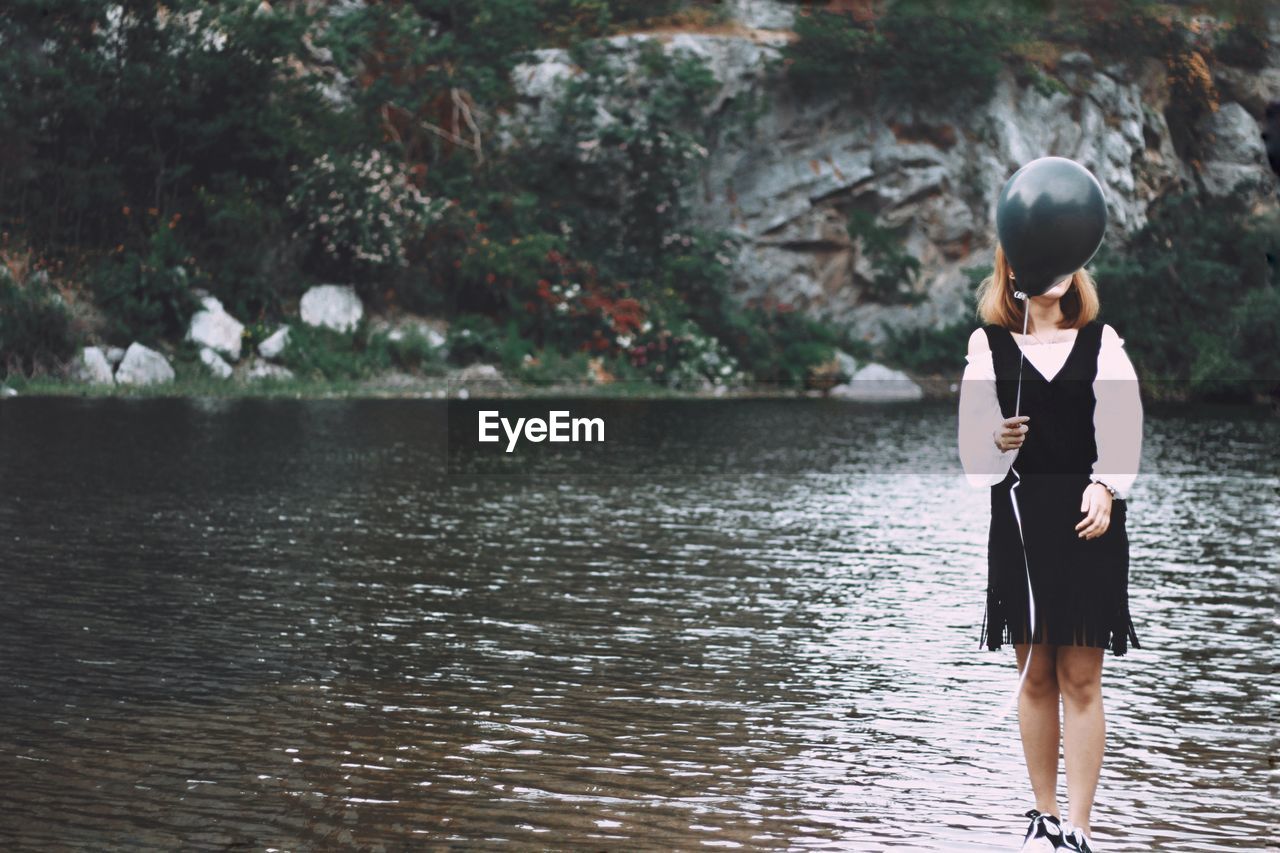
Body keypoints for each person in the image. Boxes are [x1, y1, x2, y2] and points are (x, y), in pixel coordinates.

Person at [957, 244, 1144, 853]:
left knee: (1081, 678)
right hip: (1019, 518)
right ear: (1011, 272)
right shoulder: (988, 346)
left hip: (1088, 518)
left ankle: (1081, 831)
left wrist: (1107, 487)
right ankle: (1043, 819)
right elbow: (975, 459)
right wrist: (996, 438)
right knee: (1034, 673)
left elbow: (1122, 430)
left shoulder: (1102, 341)